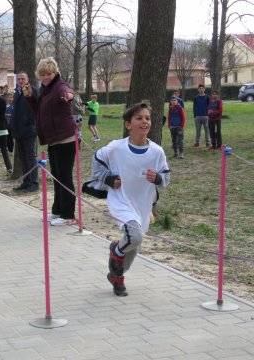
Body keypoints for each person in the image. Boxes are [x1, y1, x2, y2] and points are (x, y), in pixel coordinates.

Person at [91, 102, 170, 296]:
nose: (145, 122)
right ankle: (116, 254)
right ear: (128, 124)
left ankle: (117, 275)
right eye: (139, 118)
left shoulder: (157, 151)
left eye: (147, 118)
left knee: (134, 245)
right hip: (121, 200)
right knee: (134, 237)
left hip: (142, 204)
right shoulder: (116, 148)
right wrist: (108, 178)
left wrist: (158, 178)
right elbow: (97, 161)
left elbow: (166, 178)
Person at [24, 57, 77, 225]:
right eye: (42, 74)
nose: (45, 77)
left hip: (66, 139)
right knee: (57, 177)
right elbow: (39, 111)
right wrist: (31, 98)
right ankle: (57, 211)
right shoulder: (44, 90)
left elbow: (67, 93)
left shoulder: (60, 86)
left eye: (49, 74)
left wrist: (68, 96)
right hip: (53, 140)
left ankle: (68, 215)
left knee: (65, 177)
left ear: (55, 72)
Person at [10, 71, 39, 192]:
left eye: (23, 79)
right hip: (18, 130)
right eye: (19, 79)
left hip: (29, 129)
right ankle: (26, 181)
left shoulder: (32, 91)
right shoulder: (17, 93)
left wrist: (30, 122)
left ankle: (34, 183)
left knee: (31, 156)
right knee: (22, 157)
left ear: (27, 79)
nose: (21, 81)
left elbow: (36, 104)